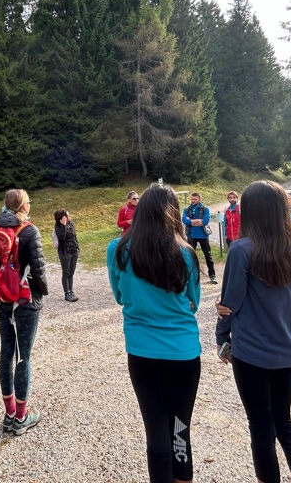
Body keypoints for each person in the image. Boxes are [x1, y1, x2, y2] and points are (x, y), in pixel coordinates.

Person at [215, 180, 291, 483]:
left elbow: (231, 302)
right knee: (284, 423)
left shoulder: (241, 249)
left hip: (252, 352)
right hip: (289, 347)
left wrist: (221, 334)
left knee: (261, 429)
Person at [107, 183, 201, 483]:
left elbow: (121, 297)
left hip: (143, 351)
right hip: (184, 351)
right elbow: (194, 303)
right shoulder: (185, 252)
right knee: (179, 428)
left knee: (155, 428)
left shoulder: (117, 249)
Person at [0, 189, 48, 435]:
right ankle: (22, 416)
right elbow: (38, 268)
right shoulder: (29, 231)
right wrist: (42, 291)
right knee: (23, 356)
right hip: (25, 300)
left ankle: (8, 414)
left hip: (2, 298)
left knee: (7, 352)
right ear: (24, 206)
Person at [182, 192, 217, 283]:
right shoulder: (187, 209)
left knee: (208, 256)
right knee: (189, 257)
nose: (193, 201)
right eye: (192, 199)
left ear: (199, 200)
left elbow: (205, 221)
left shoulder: (205, 209)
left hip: (203, 236)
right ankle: (190, 277)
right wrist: (198, 221)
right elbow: (185, 220)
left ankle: (212, 275)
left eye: (195, 199)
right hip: (191, 236)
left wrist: (192, 221)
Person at [54, 208, 80, 302]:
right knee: (66, 272)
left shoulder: (71, 223)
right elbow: (62, 237)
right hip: (64, 252)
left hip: (73, 251)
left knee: (71, 272)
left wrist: (77, 248)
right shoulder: (58, 226)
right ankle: (67, 293)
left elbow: (74, 236)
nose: (70, 216)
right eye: (68, 215)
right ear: (63, 218)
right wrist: (64, 225)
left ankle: (71, 291)